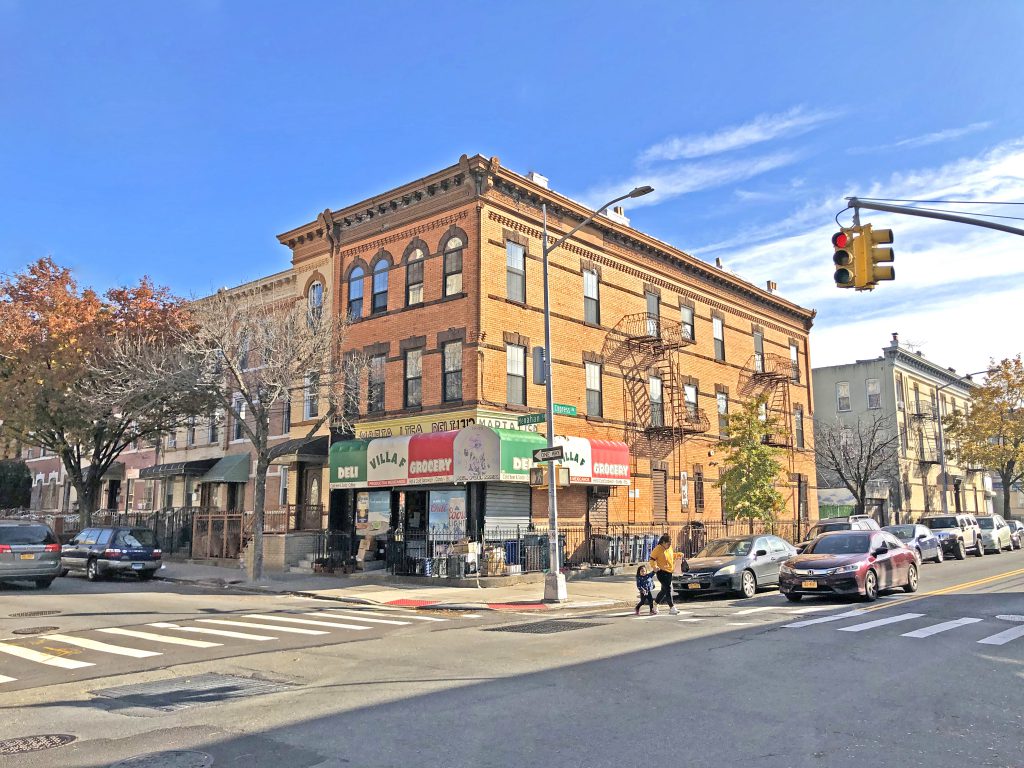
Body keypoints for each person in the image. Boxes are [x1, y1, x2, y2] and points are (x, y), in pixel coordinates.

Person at [648, 534, 680, 615]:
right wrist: (654, 566)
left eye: (670, 544)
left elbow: (671, 556)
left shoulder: (669, 548)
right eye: (668, 544)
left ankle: (655, 605)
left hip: (669, 571)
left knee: (664, 590)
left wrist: (678, 555)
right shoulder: (657, 549)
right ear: (663, 542)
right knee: (668, 589)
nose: (669, 546)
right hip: (661, 572)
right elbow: (652, 559)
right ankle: (672, 607)